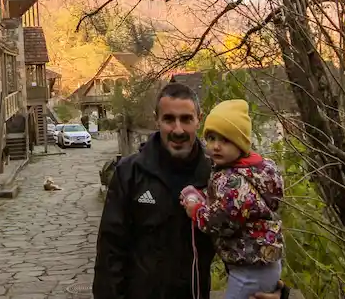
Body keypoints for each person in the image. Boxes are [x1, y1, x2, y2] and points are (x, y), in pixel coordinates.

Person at [94, 82, 287, 299]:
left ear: (198, 119)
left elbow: (254, 234)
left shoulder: (221, 176)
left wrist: (276, 290)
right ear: (156, 119)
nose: (178, 129)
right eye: (169, 119)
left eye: (186, 119)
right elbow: (110, 253)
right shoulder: (130, 173)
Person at [180, 100, 284, 299]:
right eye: (211, 138)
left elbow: (221, 221)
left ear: (241, 143)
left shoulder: (233, 182)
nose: (216, 146)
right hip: (263, 261)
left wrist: (197, 210)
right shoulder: (258, 169)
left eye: (226, 140)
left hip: (250, 268)